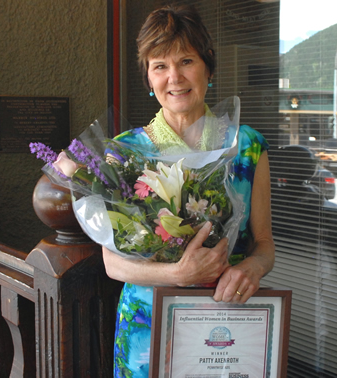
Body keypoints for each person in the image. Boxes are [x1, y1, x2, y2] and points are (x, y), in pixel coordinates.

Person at [101, 5, 275, 377]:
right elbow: (111, 262)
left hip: (229, 322)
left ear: (208, 68)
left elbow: (265, 244)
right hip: (146, 327)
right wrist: (178, 273)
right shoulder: (124, 153)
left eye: (186, 61)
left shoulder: (247, 147)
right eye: (159, 65)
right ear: (148, 78)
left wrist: (250, 269)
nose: (174, 77)